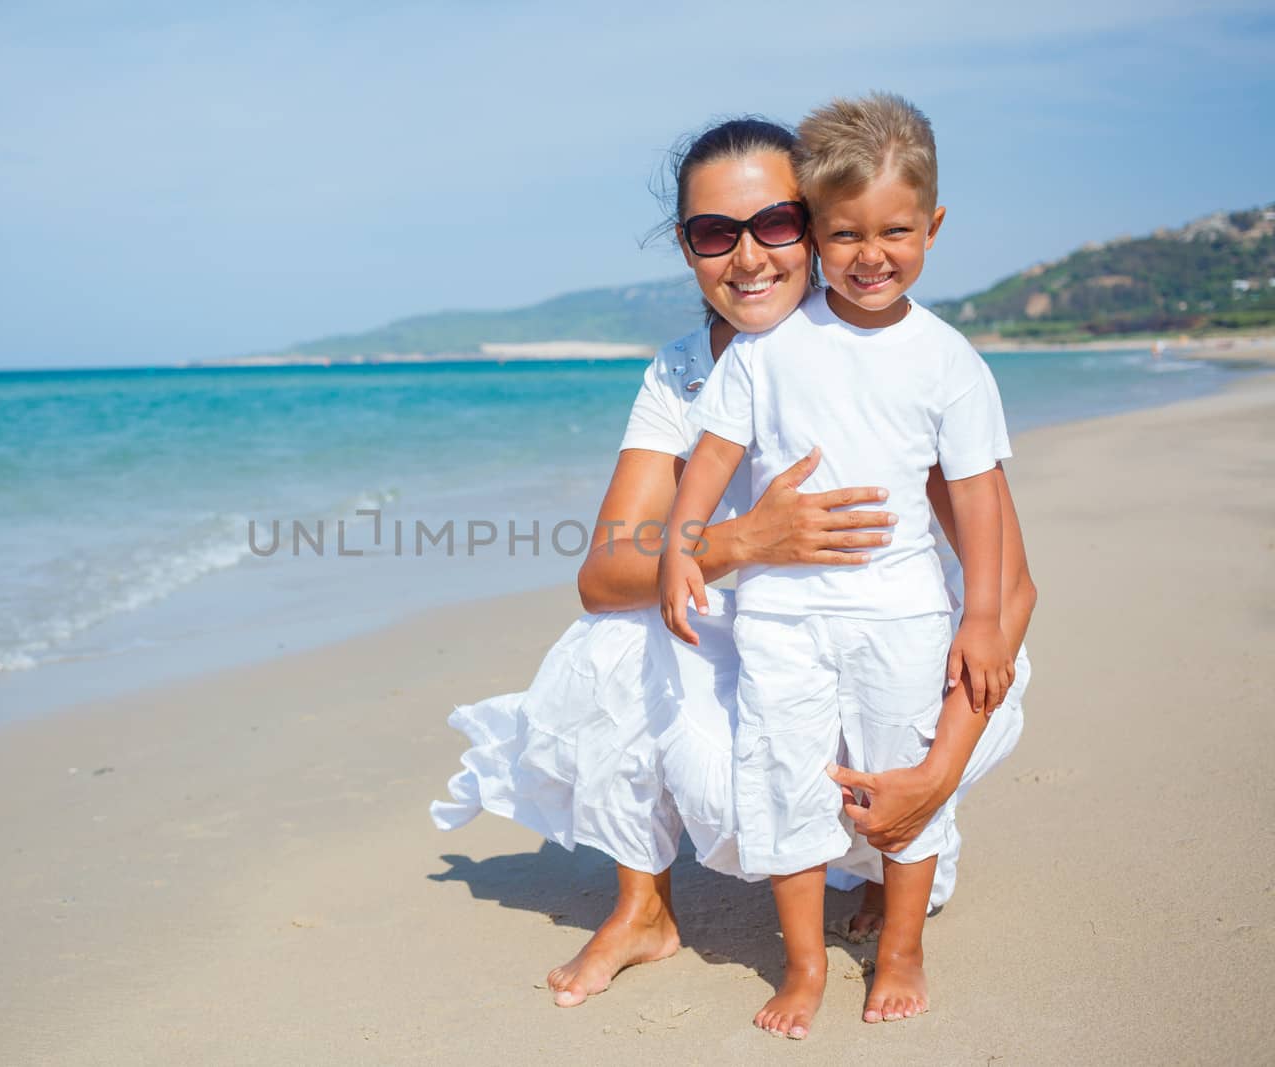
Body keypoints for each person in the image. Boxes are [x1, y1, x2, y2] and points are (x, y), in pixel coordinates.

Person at [431, 114, 1036, 1013]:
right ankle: (643, 908)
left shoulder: (902, 363)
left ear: (819, 220)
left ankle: (886, 861)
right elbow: (604, 572)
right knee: (617, 639)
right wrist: (747, 539)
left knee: (886, 748)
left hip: (898, 638)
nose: (747, 257)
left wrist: (935, 776)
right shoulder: (686, 376)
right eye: (715, 233)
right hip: (767, 638)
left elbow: (1011, 584)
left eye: (778, 223)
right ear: (687, 247)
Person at [660, 92, 1013, 1038]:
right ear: (815, 234)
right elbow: (715, 457)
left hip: (901, 610)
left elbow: (976, 501)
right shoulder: (772, 348)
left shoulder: (949, 361)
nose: (871, 254)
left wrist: (982, 616)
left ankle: (899, 948)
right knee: (787, 775)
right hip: (781, 616)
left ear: (932, 227)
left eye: (896, 231)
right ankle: (807, 962)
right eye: (846, 233)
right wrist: (685, 549)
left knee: (897, 775)